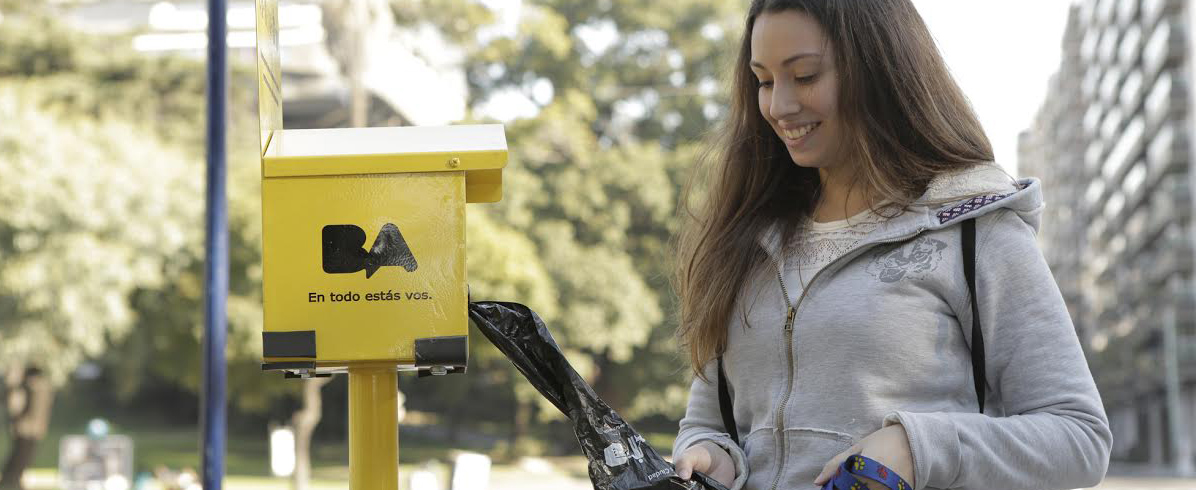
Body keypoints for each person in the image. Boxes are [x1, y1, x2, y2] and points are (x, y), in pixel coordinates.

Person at [669, 1, 1112, 489]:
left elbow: (1079, 437)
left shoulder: (975, 229)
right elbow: (711, 425)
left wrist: (915, 448)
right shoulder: (745, 242)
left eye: (806, 75)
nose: (779, 106)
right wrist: (711, 457)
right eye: (765, 81)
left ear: (879, 69)